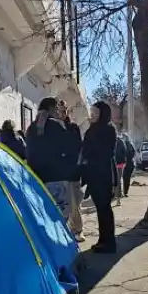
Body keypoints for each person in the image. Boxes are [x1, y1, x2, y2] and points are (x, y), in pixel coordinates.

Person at [26, 97, 74, 222]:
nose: (58, 112)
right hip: (56, 178)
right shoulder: (56, 125)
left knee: (43, 216)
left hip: (37, 179)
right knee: (60, 218)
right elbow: (69, 147)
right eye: (57, 109)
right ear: (52, 108)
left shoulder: (31, 128)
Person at [81, 101, 117, 253]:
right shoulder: (93, 129)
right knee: (101, 209)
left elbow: (105, 152)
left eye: (95, 112)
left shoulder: (108, 129)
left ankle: (109, 243)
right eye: (92, 112)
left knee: (104, 209)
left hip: (103, 174)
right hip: (93, 174)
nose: (92, 115)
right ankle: (103, 240)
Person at [57, 100, 85, 242]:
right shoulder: (53, 127)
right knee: (61, 203)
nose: (61, 113)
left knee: (74, 203)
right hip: (57, 172)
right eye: (59, 110)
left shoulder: (73, 127)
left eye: (63, 110)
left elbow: (78, 147)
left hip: (72, 170)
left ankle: (78, 230)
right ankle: (62, 231)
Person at [113, 131, 128, 205]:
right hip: (114, 163)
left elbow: (125, 151)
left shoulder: (120, 141)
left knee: (118, 180)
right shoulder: (111, 141)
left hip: (119, 163)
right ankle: (116, 196)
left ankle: (118, 198)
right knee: (115, 180)